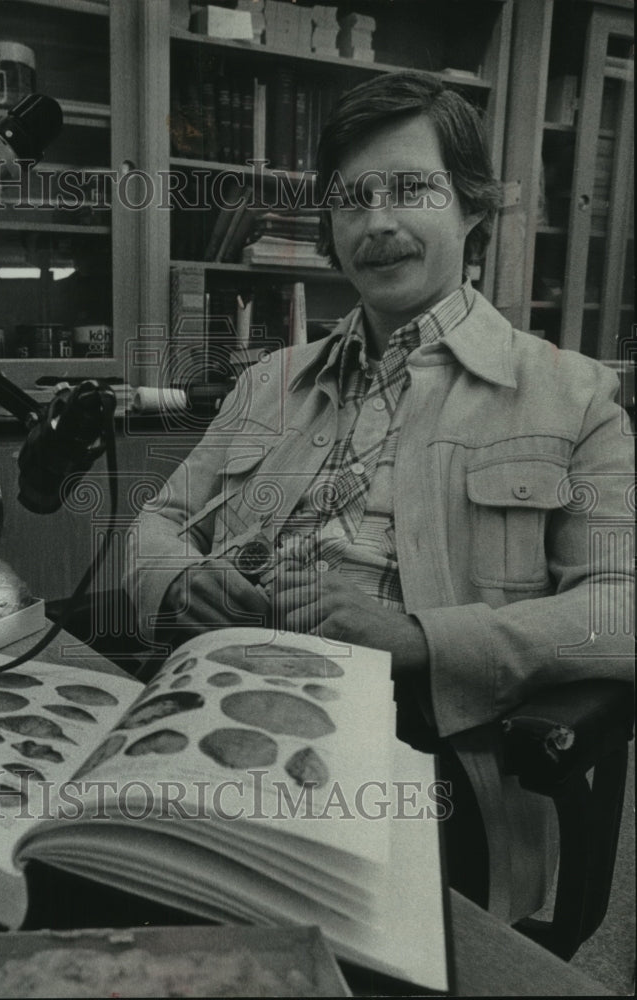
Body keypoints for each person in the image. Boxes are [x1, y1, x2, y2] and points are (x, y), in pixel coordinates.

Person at [124, 71, 634, 922]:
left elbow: (621, 610)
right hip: (211, 702)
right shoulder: (267, 382)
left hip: (418, 759)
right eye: (351, 199)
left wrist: (419, 637)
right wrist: (178, 583)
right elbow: (157, 523)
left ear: (471, 207)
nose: (377, 223)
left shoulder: (573, 397)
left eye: (408, 189)